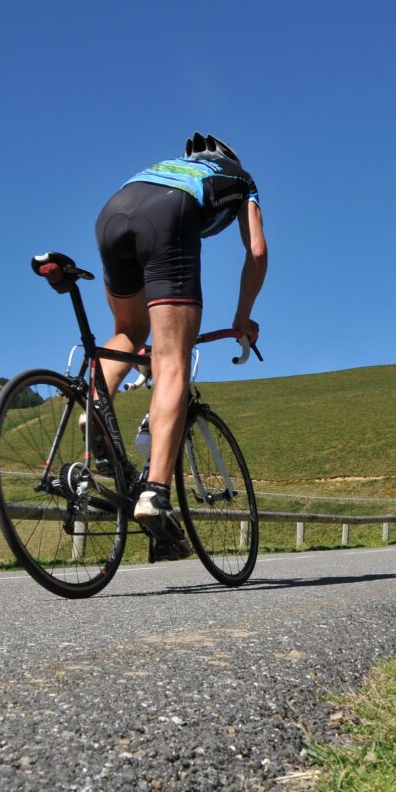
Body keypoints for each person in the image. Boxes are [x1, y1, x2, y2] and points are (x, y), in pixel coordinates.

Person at [91, 132, 267, 542]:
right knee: (172, 360)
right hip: (171, 214)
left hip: (112, 212)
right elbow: (256, 251)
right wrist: (243, 318)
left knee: (127, 333)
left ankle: (95, 405)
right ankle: (154, 494)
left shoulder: (167, 165)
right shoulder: (241, 178)